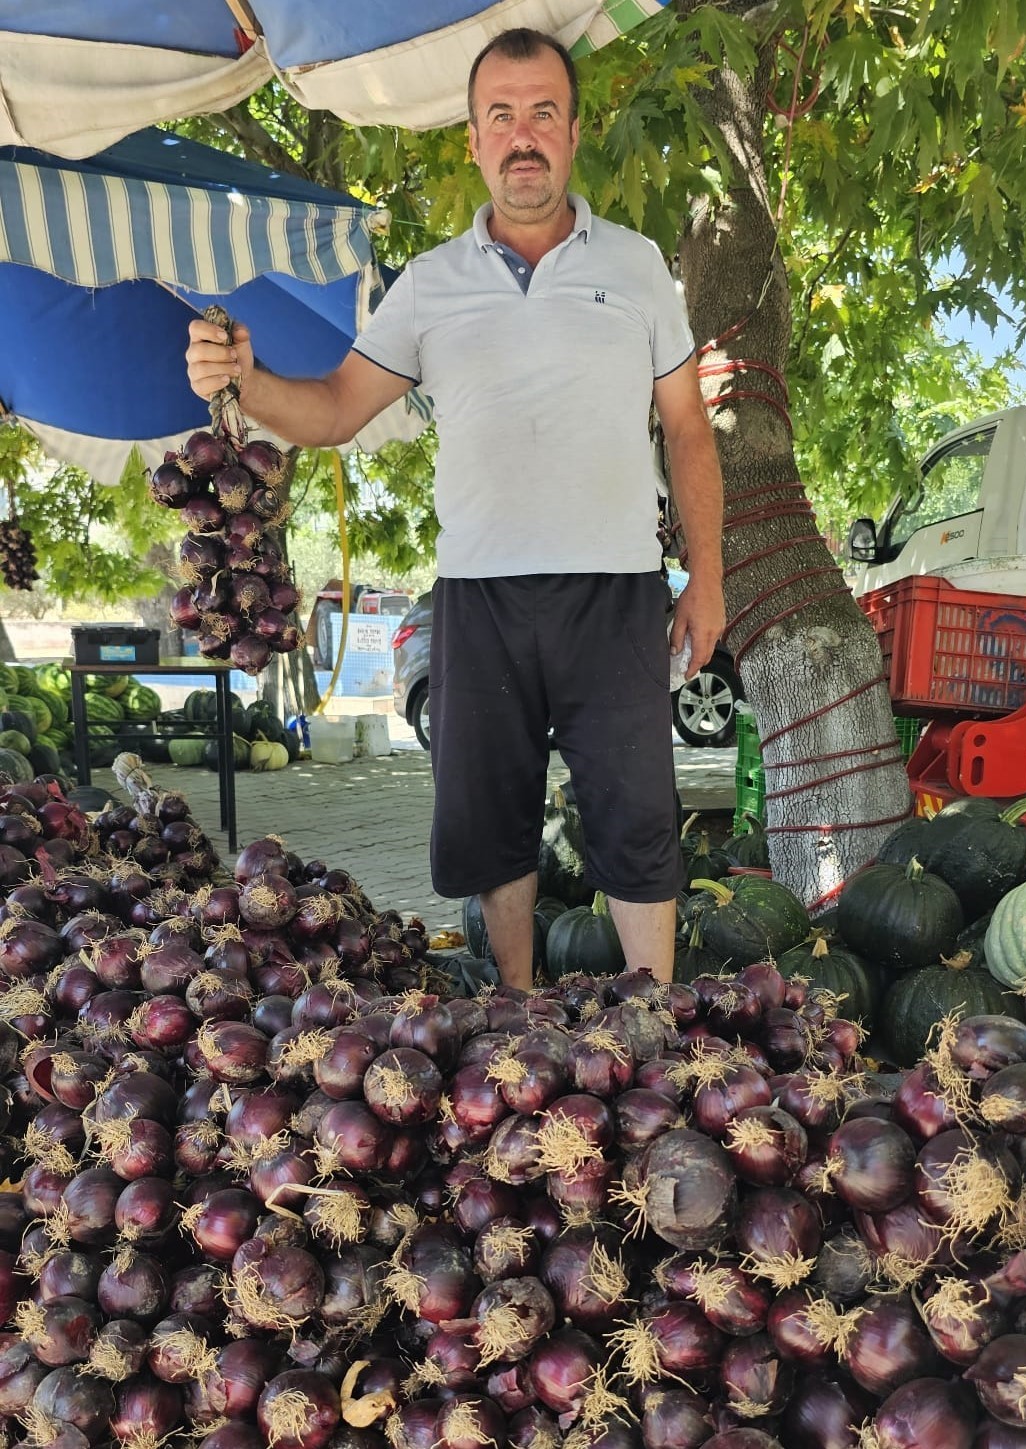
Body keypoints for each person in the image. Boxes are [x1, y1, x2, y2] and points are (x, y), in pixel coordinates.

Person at [186, 27, 726, 989]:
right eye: (502, 116)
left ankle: (661, 1027)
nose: (525, 136)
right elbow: (337, 408)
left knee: (639, 818)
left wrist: (710, 584)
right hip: (478, 595)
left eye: (544, 114)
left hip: (618, 591)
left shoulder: (641, 266)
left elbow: (688, 429)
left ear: (573, 132)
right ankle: (516, 1020)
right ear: (474, 139)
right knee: (488, 820)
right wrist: (245, 377)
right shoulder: (430, 283)